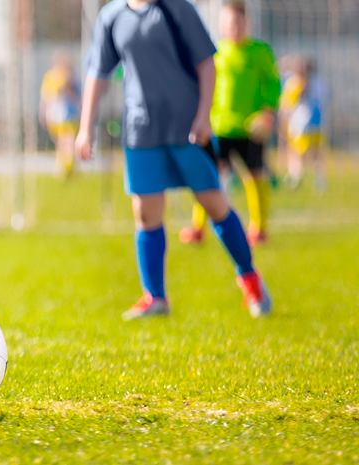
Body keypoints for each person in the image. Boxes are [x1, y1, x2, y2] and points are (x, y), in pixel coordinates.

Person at [75, 0, 270, 321]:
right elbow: (98, 71)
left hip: (188, 129)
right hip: (140, 132)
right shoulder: (111, 16)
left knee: (213, 204)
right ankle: (155, 297)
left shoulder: (177, 9)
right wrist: (85, 128)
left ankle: (250, 279)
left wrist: (204, 116)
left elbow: (207, 63)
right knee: (145, 212)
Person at [179, 0, 279, 246]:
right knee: (208, 176)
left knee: (254, 175)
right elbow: (205, 86)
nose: (231, 27)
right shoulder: (216, 52)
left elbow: (273, 84)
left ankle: (258, 228)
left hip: (250, 128)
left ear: (246, 22)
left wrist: (267, 112)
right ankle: (198, 226)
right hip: (219, 126)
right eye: (226, 22)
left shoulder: (260, 52)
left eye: (236, 21)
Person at [280, 56, 327, 191]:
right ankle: (319, 180)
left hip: (301, 125)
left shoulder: (295, 83)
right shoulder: (321, 82)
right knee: (317, 154)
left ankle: (296, 176)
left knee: (297, 153)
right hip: (319, 124)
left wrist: (284, 117)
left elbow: (287, 104)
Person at [40, 51, 81, 180]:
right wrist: (43, 113)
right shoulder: (51, 77)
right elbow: (46, 97)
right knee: (62, 143)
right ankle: (64, 167)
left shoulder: (72, 78)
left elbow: (78, 97)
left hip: (69, 115)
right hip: (56, 116)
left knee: (67, 141)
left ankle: (66, 168)